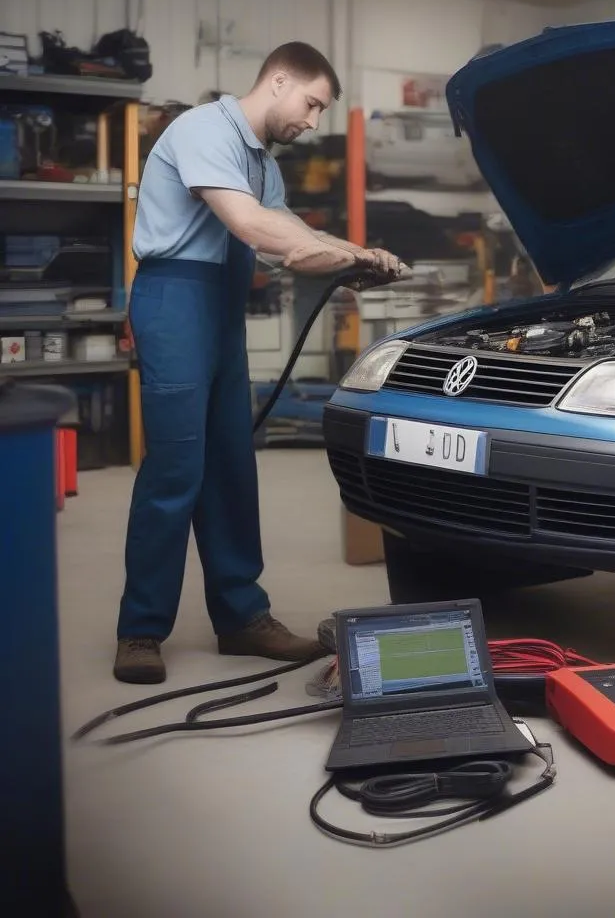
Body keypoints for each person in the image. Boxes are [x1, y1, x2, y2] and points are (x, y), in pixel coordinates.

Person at [114, 42, 401, 684]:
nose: (312, 121)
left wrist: (359, 257)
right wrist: (347, 256)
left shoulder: (261, 164)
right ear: (277, 81)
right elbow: (254, 228)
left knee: (232, 463)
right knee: (177, 466)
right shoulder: (202, 131)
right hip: (174, 297)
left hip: (219, 305)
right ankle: (140, 628)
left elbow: (290, 228)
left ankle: (242, 617)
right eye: (311, 103)